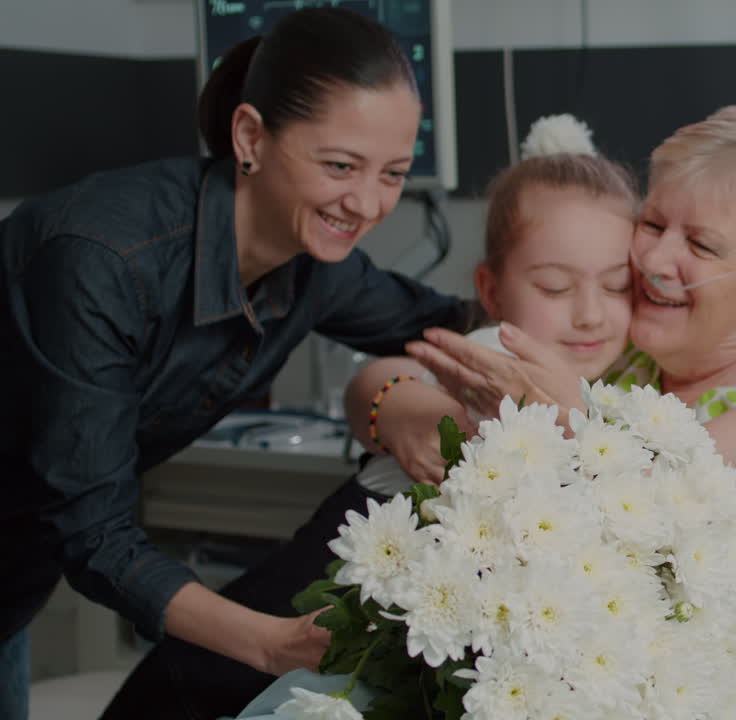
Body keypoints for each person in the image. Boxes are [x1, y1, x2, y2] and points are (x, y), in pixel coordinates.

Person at [0, 8, 482, 720]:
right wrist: (273, 644)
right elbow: (94, 535)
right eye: (341, 166)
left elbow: (448, 325)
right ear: (251, 136)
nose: (369, 203)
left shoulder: (318, 267)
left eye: (394, 173)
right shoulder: (102, 259)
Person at [408, 102, 736, 684]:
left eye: (701, 246)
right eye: (652, 225)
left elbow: (720, 591)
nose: (653, 260)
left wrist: (578, 432)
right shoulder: (626, 355)